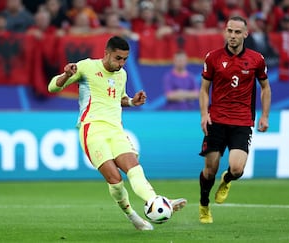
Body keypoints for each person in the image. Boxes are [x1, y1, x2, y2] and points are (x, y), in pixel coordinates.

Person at [48, 36, 187, 230]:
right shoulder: (87, 67)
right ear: (106, 53)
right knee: (115, 180)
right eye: (118, 58)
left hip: (116, 130)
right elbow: (52, 87)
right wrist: (65, 75)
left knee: (134, 169)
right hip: (92, 129)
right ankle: (133, 216)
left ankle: (156, 201)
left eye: (124, 59)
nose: (121, 63)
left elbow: (117, 99)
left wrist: (131, 102)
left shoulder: (121, 75)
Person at [197, 16, 271, 224]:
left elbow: (265, 88)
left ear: (246, 34)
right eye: (229, 31)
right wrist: (204, 114)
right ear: (225, 32)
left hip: (242, 121)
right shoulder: (212, 57)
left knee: (237, 169)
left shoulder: (257, 59)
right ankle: (204, 205)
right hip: (216, 120)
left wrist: (265, 116)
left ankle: (227, 179)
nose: (233, 36)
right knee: (210, 169)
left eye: (237, 32)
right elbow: (204, 89)